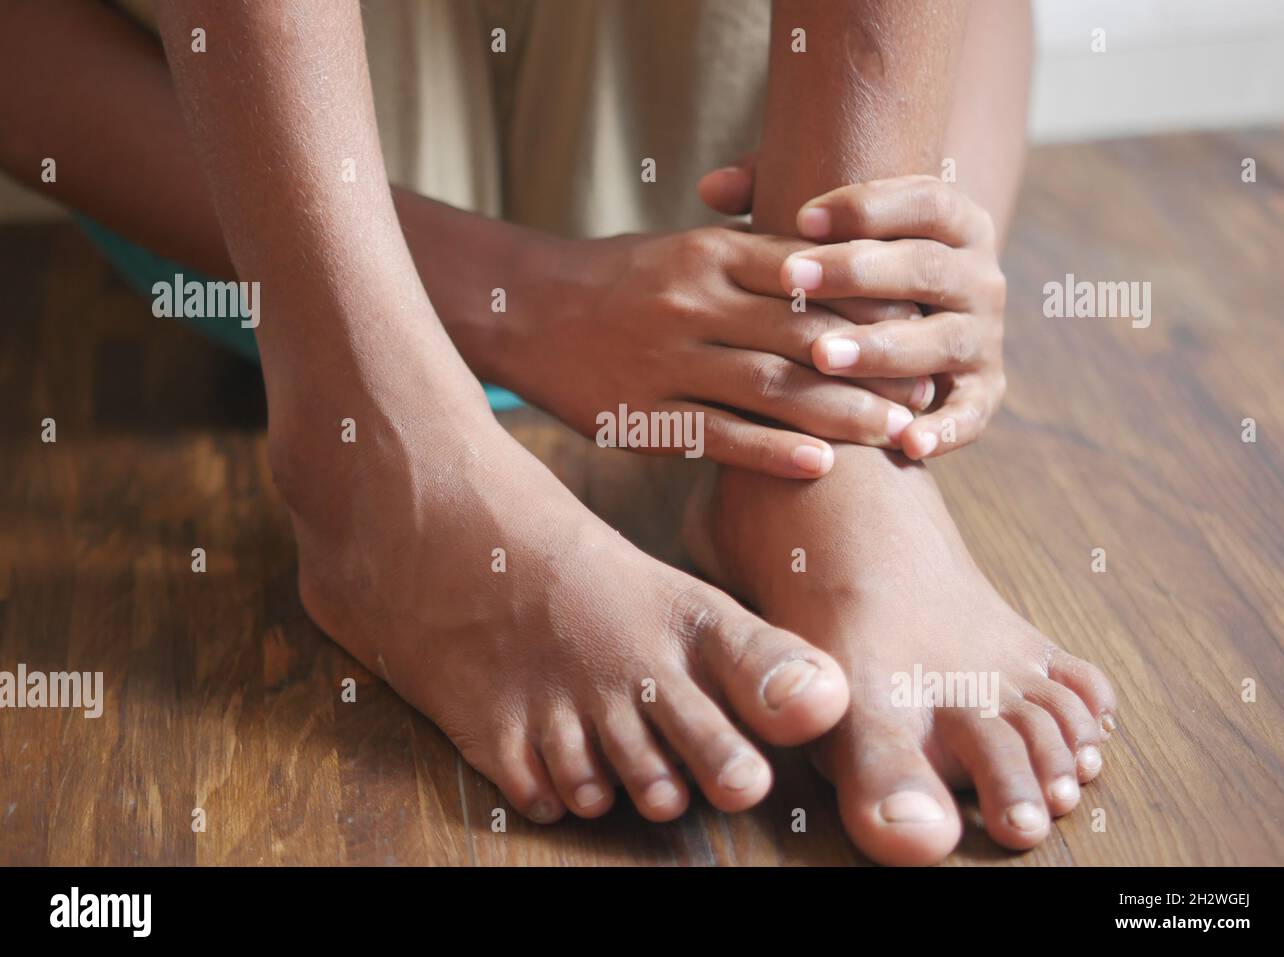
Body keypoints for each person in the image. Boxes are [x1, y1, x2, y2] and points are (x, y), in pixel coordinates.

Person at [0, 0, 1116, 865]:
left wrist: (881, 319)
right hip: (260, 168)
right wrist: (521, 298)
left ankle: (817, 452)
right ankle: (377, 447)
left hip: (733, 150)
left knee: (840, 364)